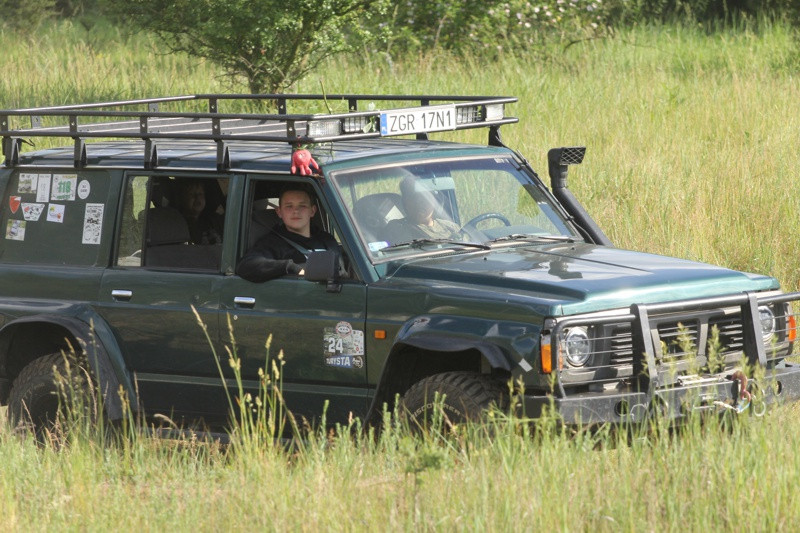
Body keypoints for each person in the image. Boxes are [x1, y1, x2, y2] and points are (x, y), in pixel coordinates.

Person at [236, 186, 340, 282]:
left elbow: (341, 271)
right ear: (279, 212)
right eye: (289, 206)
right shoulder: (272, 243)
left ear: (312, 211)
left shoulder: (327, 240)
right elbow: (246, 266)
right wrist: (290, 267)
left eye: (302, 206)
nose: (295, 211)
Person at [386, 176, 461, 241]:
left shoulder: (451, 227)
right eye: (413, 197)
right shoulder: (397, 228)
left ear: (434, 200)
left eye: (424, 197)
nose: (419, 202)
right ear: (404, 202)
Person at [177, 179, 223, 245]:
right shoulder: (179, 225)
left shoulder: (214, 220)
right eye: (192, 194)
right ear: (182, 198)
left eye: (200, 194)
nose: (197, 197)